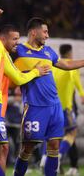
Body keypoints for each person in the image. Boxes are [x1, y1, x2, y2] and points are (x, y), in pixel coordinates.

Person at [13, 17, 84, 176]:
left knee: (54, 145)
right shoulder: (18, 51)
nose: (47, 35)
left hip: (55, 106)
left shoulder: (48, 52)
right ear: (33, 32)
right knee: (28, 148)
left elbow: (66, 65)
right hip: (34, 107)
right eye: (44, 31)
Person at [0, 24, 50, 175]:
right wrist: (35, 71)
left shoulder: (4, 53)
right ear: (2, 38)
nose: (17, 42)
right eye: (14, 39)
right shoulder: (1, 52)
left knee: (1, 147)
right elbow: (19, 78)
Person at [39, 44, 84, 174]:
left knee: (51, 134)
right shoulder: (70, 65)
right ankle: (58, 155)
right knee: (72, 132)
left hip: (51, 106)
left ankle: (44, 157)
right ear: (70, 53)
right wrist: (82, 94)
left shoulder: (55, 65)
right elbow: (75, 80)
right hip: (66, 107)